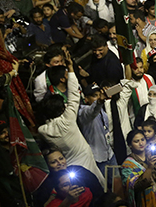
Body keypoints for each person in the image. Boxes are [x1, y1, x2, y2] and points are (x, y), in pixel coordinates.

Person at [37, 50, 106, 186]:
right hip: (86, 160)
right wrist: (70, 69)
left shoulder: (42, 130)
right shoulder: (67, 119)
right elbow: (74, 94)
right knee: (99, 186)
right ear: (63, 109)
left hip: (70, 166)